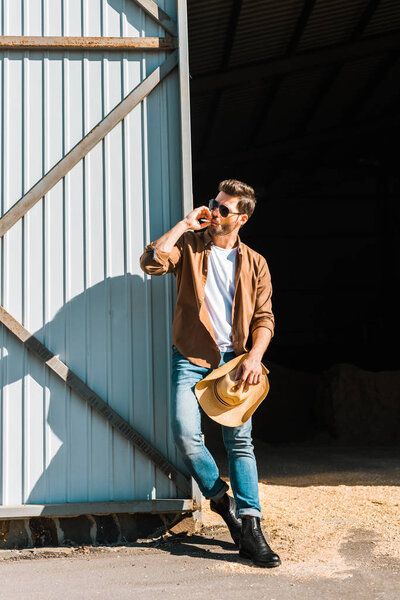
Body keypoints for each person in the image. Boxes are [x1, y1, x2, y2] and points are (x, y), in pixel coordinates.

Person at [140, 179, 280, 568]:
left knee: (240, 442)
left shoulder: (255, 263)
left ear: (242, 218)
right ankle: (222, 500)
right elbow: (151, 262)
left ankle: (251, 528)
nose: (214, 212)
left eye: (223, 209)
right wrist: (185, 225)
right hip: (190, 357)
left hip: (236, 362)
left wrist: (255, 357)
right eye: (213, 204)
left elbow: (265, 319)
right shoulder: (190, 245)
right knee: (186, 435)